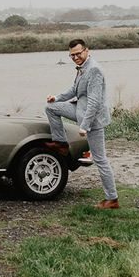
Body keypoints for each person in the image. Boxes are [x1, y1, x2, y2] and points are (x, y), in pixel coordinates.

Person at [45, 39, 119, 209]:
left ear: (87, 50)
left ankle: (112, 199)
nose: (75, 57)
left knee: (100, 159)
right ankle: (61, 143)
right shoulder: (83, 67)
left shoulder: (94, 70)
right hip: (81, 110)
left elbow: (94, 102)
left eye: (78, 53)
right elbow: (74, 89)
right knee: (51, 107)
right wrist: (56, 97)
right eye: (72, 55)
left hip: (93, 119)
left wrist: (84, 126)